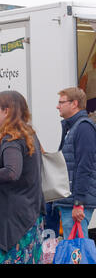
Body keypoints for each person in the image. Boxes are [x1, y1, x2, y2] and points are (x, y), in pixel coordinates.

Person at [0, 91, 46, 264]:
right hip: (30, 213)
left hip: (15, 221)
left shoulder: (11, 139)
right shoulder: (29, 134)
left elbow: (12, 171)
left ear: (7, 111)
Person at [53, 87, 96, 239]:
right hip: (70, 200)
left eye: (61, 102)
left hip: (76, 202)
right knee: (74, 249)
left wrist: (78, 202)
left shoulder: (84, 128)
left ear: (74, 104)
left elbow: (84, 167)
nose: (57, 106)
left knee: (76, 251)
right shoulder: (72, 127)